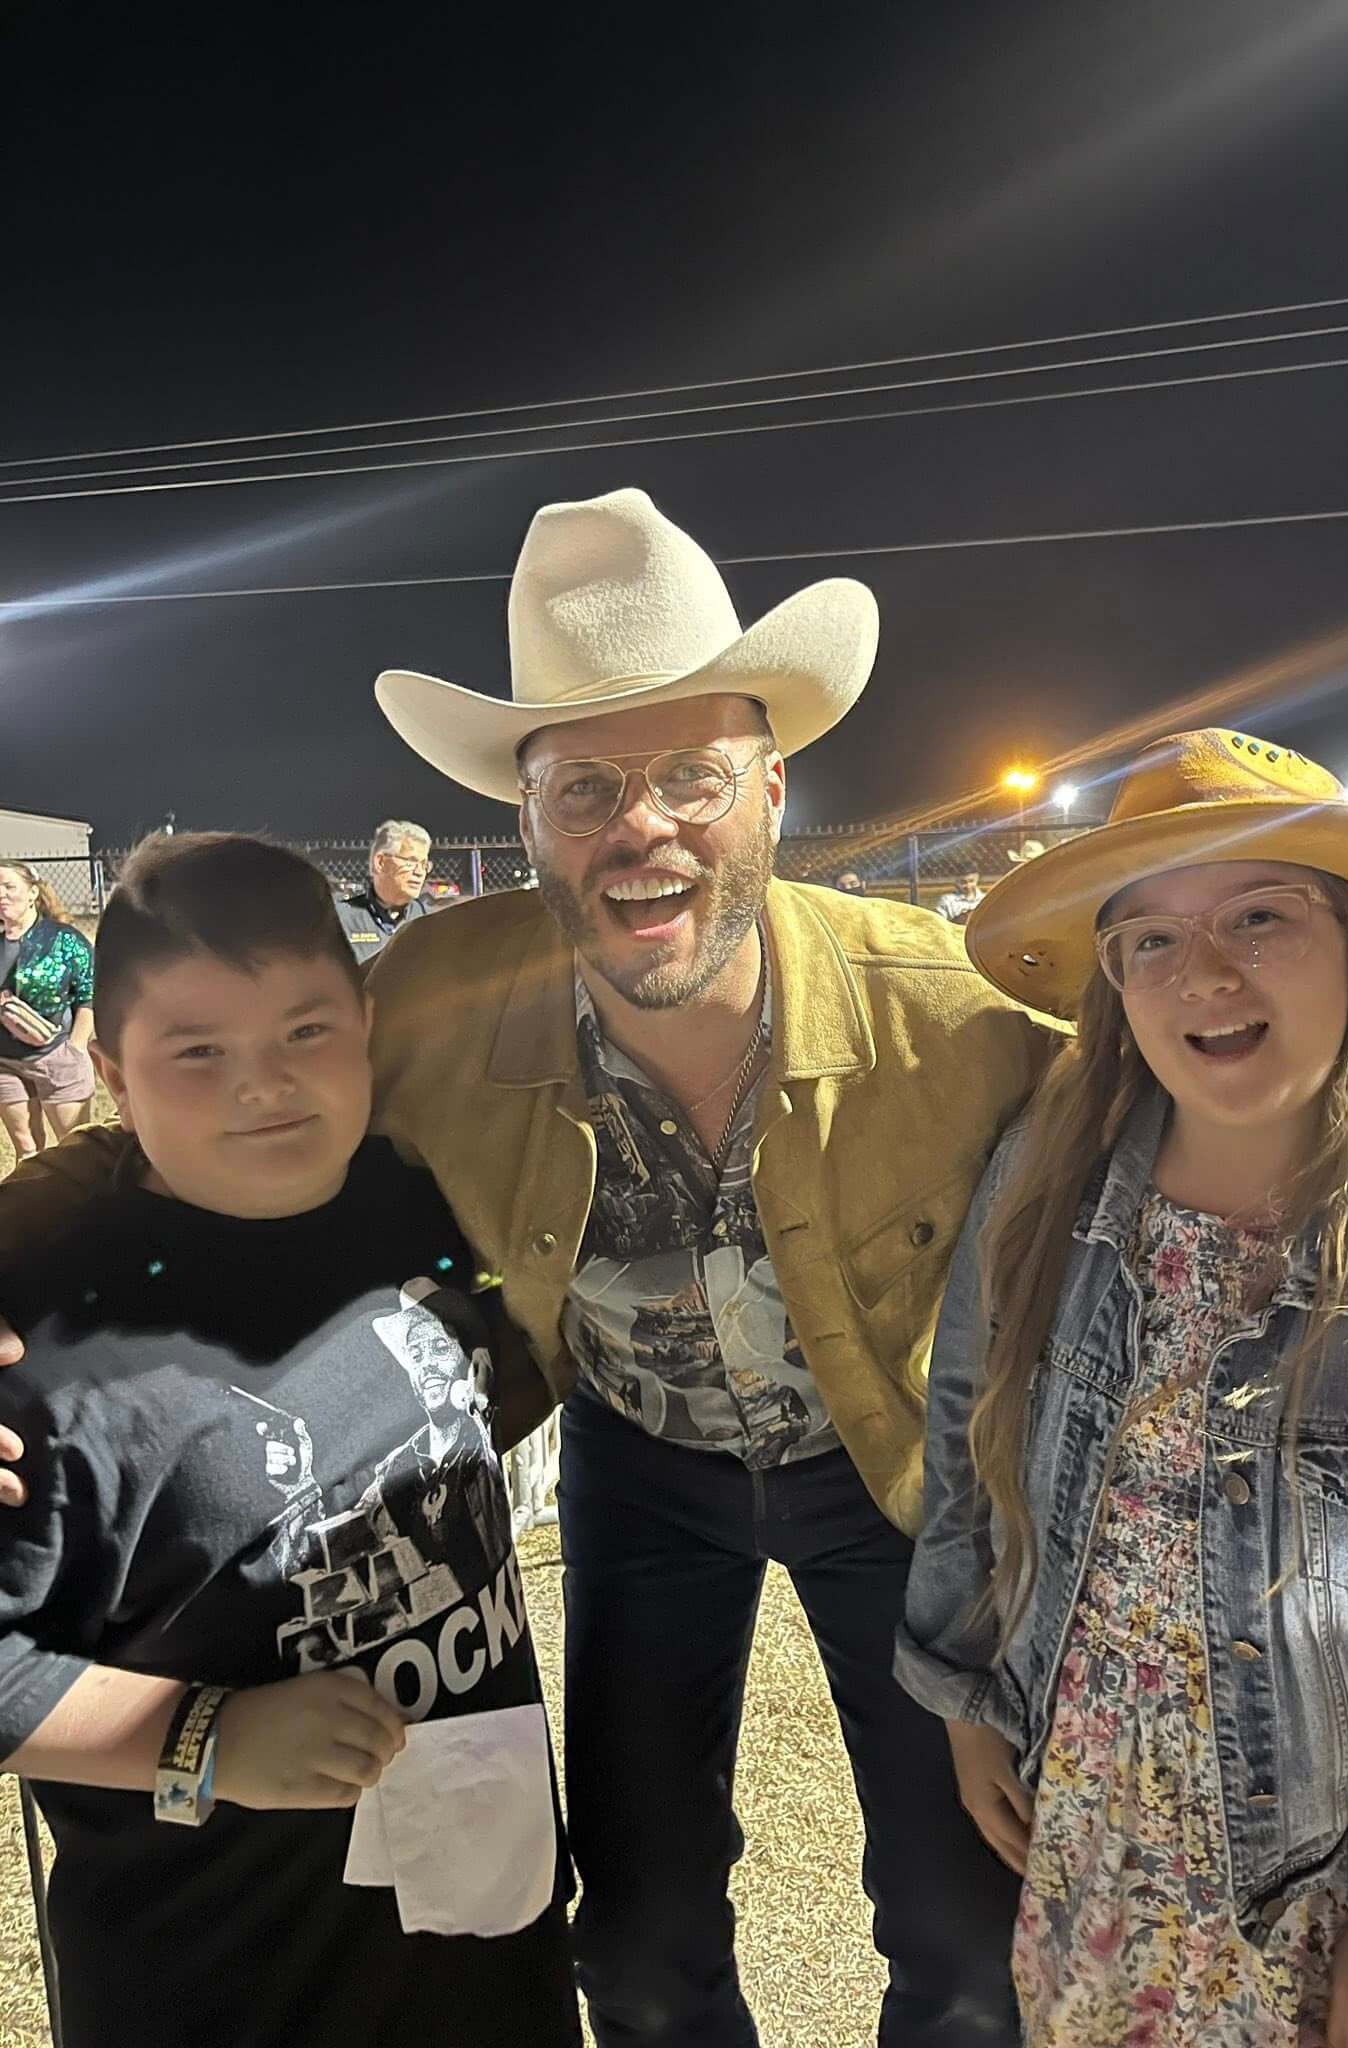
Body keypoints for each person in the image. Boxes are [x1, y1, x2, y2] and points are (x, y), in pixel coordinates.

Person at [0, 488, 1057, 2047]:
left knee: (968, 1931)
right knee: (636, 1938)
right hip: (644, 1461)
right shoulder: (438, 992)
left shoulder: (954, 1012)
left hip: (892, 1470)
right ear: (530, 819)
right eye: (585, 788)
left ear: (774, 787)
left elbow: (1162, 1145)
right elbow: (196, 1105)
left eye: (692, 775)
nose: (641, 828)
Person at [897, 726, 1348, 2048]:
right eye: (1153, 938)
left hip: (1336, 1898)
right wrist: (966, 1695)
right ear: (1115, 986)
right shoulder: (1047, 1192)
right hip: (1099, 1853)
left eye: (1262, 915)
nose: (1207, 972)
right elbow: (970, 1420)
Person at [0, 833, 578, 2048]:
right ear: (109, 1070)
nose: (263, 1083)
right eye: (197, 1050)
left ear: (366, 1024)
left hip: (487, 1931)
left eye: (305, 1030)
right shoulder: (48, 1342)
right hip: (226, 1974)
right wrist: (204, 1737)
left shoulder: (422, 1197)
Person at [0, 861, 96, 1165]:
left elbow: (90, 994)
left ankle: (88, 1198)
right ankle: (35, 1197)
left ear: (32, 893)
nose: (1, 894)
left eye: (9, 886)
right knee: (27, 1152)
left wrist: (76, 1048)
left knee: (76, 1150)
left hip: (56, 1056)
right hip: (6, 1063)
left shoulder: (63, 939)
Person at [335, 820, 433, 961]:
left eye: (424, 865)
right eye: (411, 861)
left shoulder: (429, 919)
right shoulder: (341, 920)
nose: (419, 872)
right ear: (380, 862)